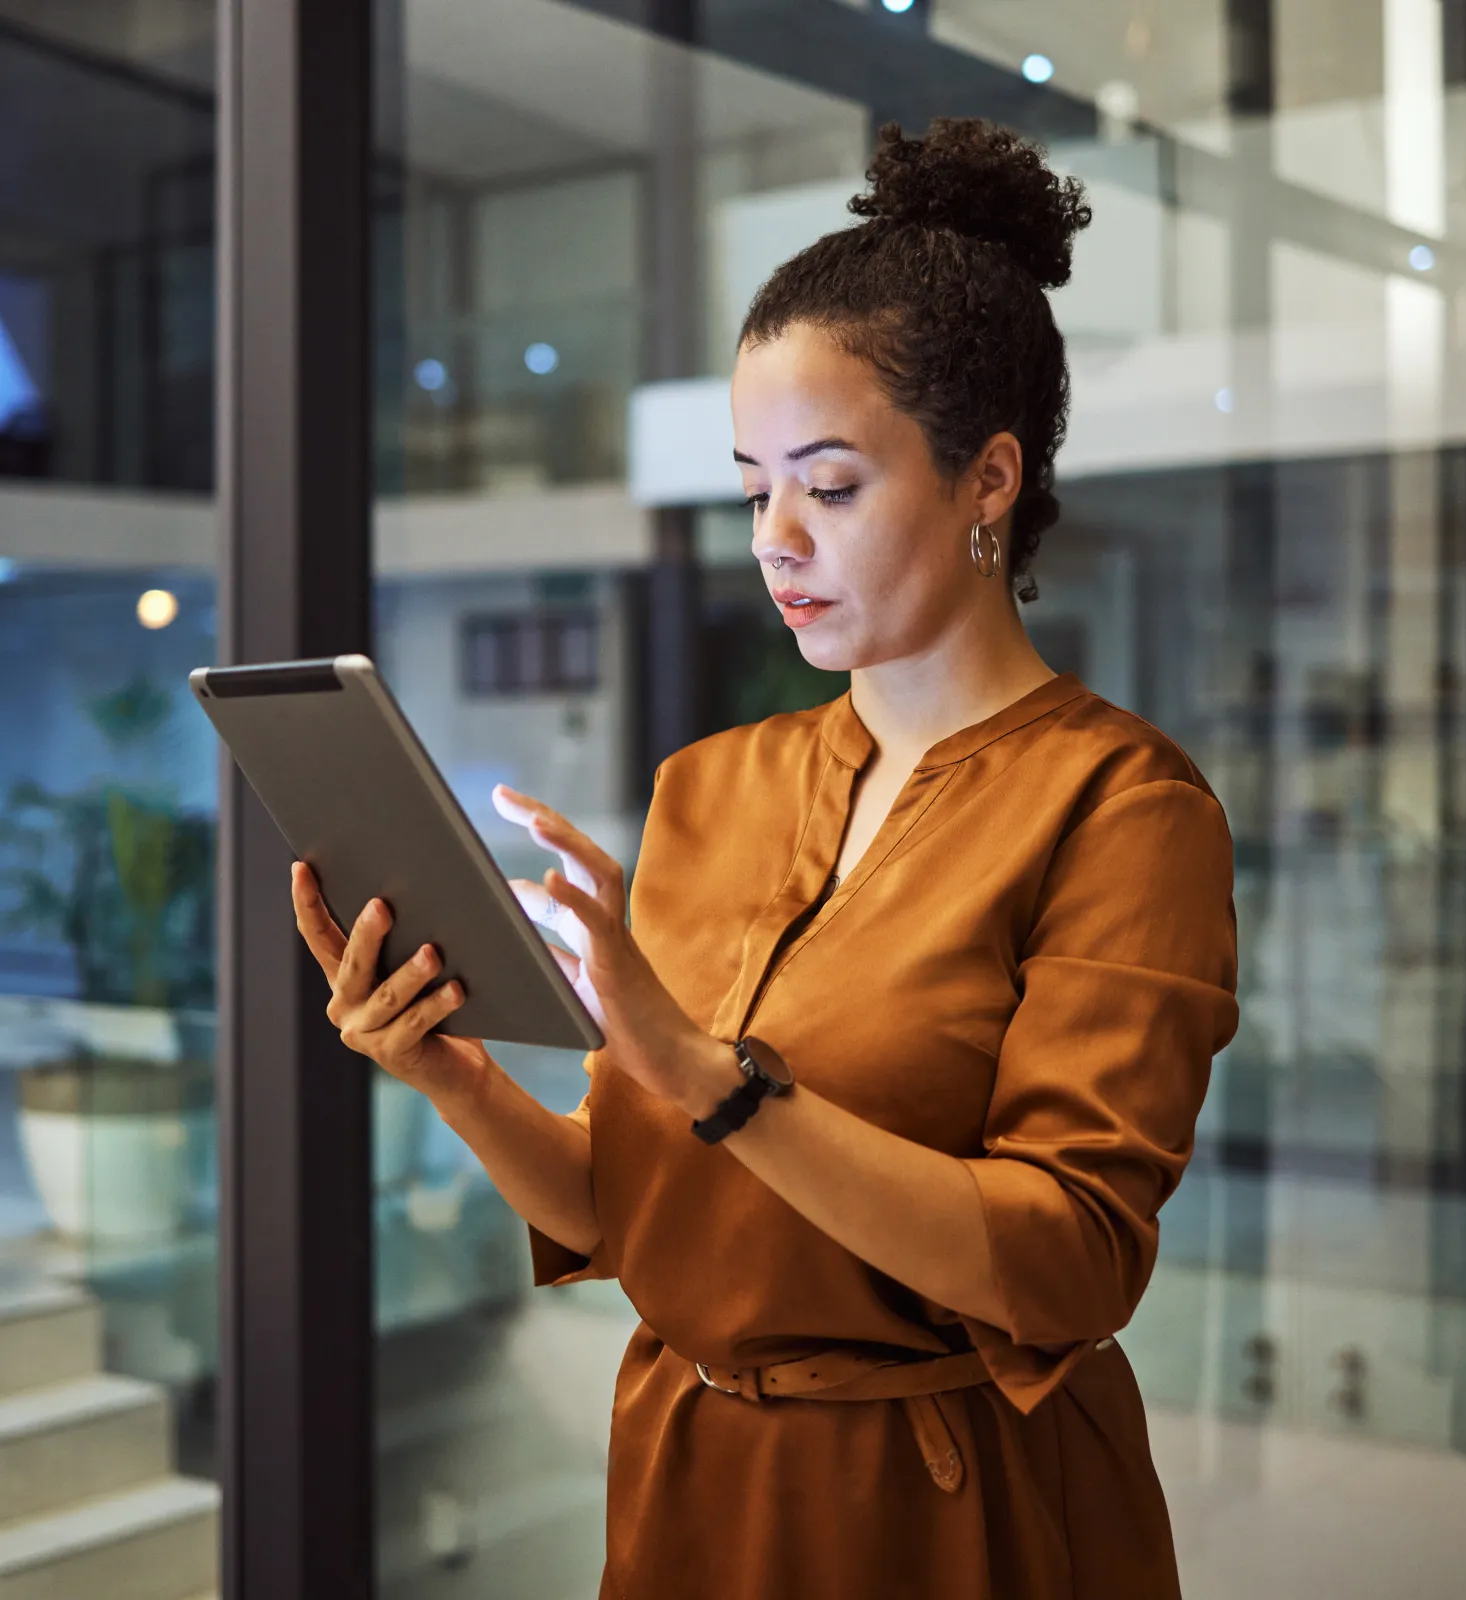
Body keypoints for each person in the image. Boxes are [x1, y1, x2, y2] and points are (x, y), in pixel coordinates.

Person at [293, 118, 1239, 1599]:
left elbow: (1071, 1259)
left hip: (945, 1508)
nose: (777, 541)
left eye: (832, 487)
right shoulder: (710, 788)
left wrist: (714, 1077)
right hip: (686, 1482)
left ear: (989, 479)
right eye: (753, 491)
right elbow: (622, 1208)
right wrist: (448, 1073)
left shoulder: (1123, 806)